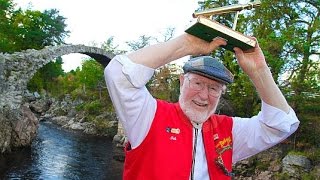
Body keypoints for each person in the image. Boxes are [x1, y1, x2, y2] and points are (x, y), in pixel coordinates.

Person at [104, 33, 299, 180]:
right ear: (182, 82)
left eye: (214, 88)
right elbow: (118, 73)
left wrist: (259, 71)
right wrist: (186, 45)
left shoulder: (229, 131)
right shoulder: (149, 116)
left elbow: (282, 124)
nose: (204, 95)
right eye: (197, 83)